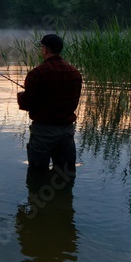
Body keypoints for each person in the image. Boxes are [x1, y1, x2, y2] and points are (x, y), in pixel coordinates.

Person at [17, 34, 82, 179]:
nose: (41, 50)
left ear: (45, 50)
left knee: (37, 176)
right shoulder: (75, 73)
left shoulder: (37, 73)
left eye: (41, 47)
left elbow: (26, 104)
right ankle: (62, 200)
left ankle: (37, 199)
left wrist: (21, 95)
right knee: (65, 177)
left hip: (43, 133)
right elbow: (73, 102)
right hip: (66, 133)